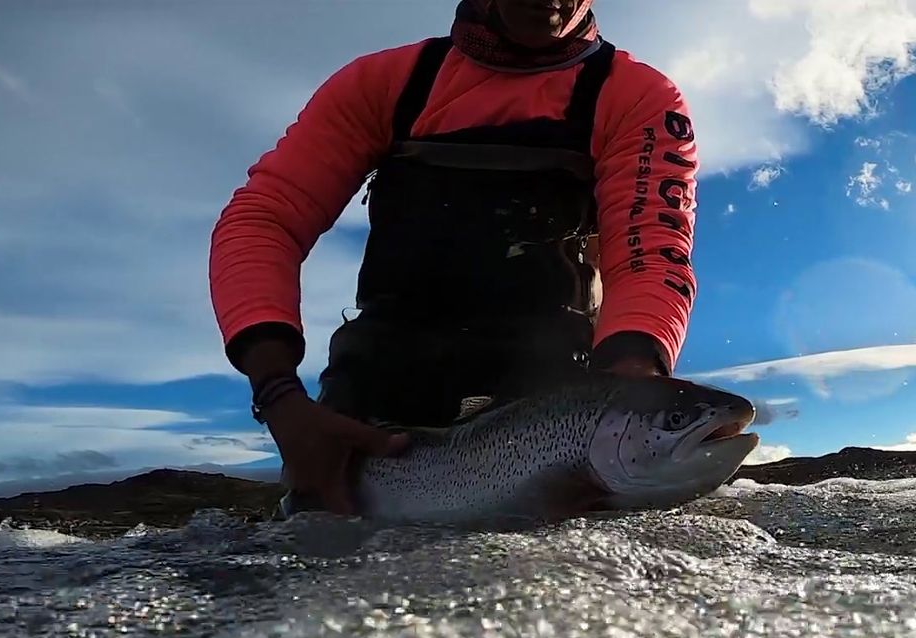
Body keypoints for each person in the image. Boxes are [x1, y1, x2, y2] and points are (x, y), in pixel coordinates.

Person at [208, 0, 699, 515]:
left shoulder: (637, 98)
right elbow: (264, 221)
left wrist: (630, 391)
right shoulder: (385, 83)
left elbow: (649, 257)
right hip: (371, 423)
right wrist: (280, 397)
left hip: (551, 416)